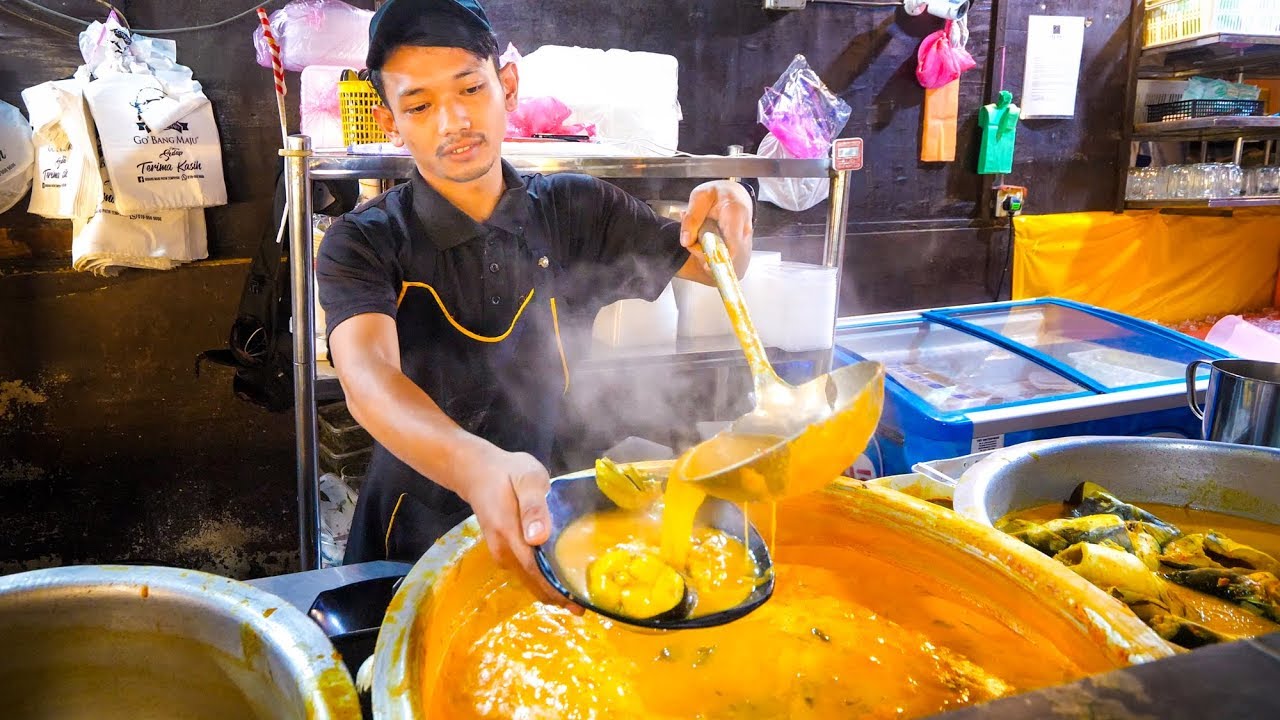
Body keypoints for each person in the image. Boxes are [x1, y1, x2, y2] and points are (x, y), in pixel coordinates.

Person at [316, 0, 754, 607]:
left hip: (562, 509)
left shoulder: (577, 209)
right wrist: (476, 466)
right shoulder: (363, 241)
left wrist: (733, 202)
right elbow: (368, 379)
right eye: (418, 105)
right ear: (392, 119)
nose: (451, 121)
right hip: (413, 527)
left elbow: (713, 267)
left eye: (470, 88)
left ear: (508, 85)